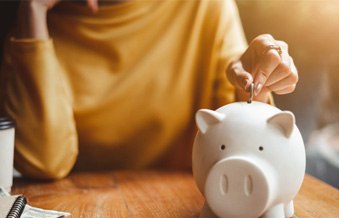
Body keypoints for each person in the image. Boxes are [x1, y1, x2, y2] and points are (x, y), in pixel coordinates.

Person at [0, 0, 298, 180]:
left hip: (186, 213)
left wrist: (257, 84)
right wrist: (32, 9)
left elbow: (243, 138)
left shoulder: (203, 7)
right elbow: (43, 162)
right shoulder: (33, 27)